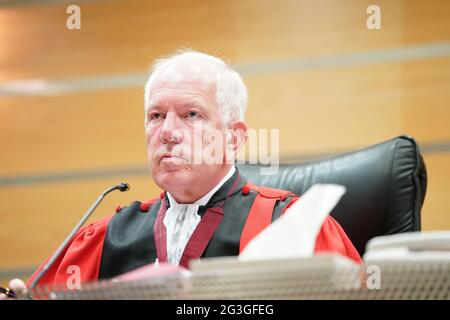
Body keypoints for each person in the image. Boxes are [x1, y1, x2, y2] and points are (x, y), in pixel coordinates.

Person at [1, 50, 361, 298]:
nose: (167, 131)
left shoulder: (291, 224)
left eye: (191, 114)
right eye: (156, 116)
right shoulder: (105, 237)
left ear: (233, 138)